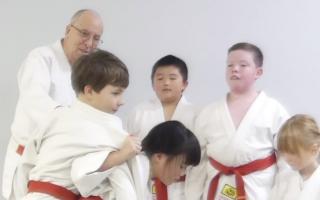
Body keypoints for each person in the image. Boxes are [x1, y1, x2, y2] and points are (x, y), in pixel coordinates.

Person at [2, 9, 104, 200]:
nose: (89, 43)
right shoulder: (41, 58)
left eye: (96, 38)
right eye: (84, 34)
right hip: (29, 160)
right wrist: (71, 124)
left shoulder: (89, 75)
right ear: (68, 30)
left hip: (61, 169)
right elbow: (34, 100)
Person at [14, 50, 141, 200]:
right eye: (116, 93)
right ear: (89, 91)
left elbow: (25, 165)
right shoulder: (111, 128)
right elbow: (132, 174)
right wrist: (124, 153)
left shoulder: (54, 116)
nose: (122, 101)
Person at [186, 42, 289, 200]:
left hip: (258, 191)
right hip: (216, 189)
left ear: (258, 72)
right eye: (230, 65)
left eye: (243, 65)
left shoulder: (274, 110)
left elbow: (287, 161)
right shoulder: (209, 112)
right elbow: (197, 163)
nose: (234, 69)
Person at [127, 55, 197, 199]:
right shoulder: (139, 112)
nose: (166, 83)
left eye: (172, 78)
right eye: (160, 79)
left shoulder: (197, 114)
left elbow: (198, 158)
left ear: (185, 84)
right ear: (153, 84)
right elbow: (131, 152)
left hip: (183, 187)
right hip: (146, 186)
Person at [134, 120, 201, 200]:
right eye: (181, 166)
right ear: (159, 156)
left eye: (185, 168)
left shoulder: (145, 174)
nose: (182, 174)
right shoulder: (131, 171)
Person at [270, 114, 320, 200]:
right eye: (283, 152)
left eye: (293, 152)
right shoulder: (283, 178)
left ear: (314, 149)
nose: (287, 158)